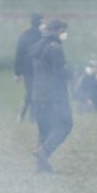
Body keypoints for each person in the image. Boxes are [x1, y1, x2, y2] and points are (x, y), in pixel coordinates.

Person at [31, 20, 73, 173]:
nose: (64, 34)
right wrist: (71, 74)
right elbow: (59, 72)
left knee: (44, 129)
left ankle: (41, 166)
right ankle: (45, 151)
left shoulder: (39, 46)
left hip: (38, 94)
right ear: (58, 30)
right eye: (63, 31)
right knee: (66, 124)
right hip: (54, 95)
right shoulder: (55, 48)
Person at [15, 13, 44, 121]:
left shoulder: (24, 35)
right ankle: (28, 115)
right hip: (37, 70)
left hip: (28, 70)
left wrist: (18, 73)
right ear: (40, 23)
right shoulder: (42, 36)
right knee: (32, 92)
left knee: (32, 92)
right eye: (42, 21)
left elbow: (18, 54)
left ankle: (29, 116)